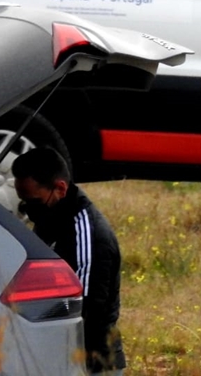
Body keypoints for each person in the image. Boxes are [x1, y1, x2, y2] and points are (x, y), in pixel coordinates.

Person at [13, 147, 126, 375]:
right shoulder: (52, 215)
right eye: (23, 203)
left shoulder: (87, 234)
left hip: (90, 362)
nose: (28, 211)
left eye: (33, 202)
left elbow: (85, 308)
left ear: (60, 189)